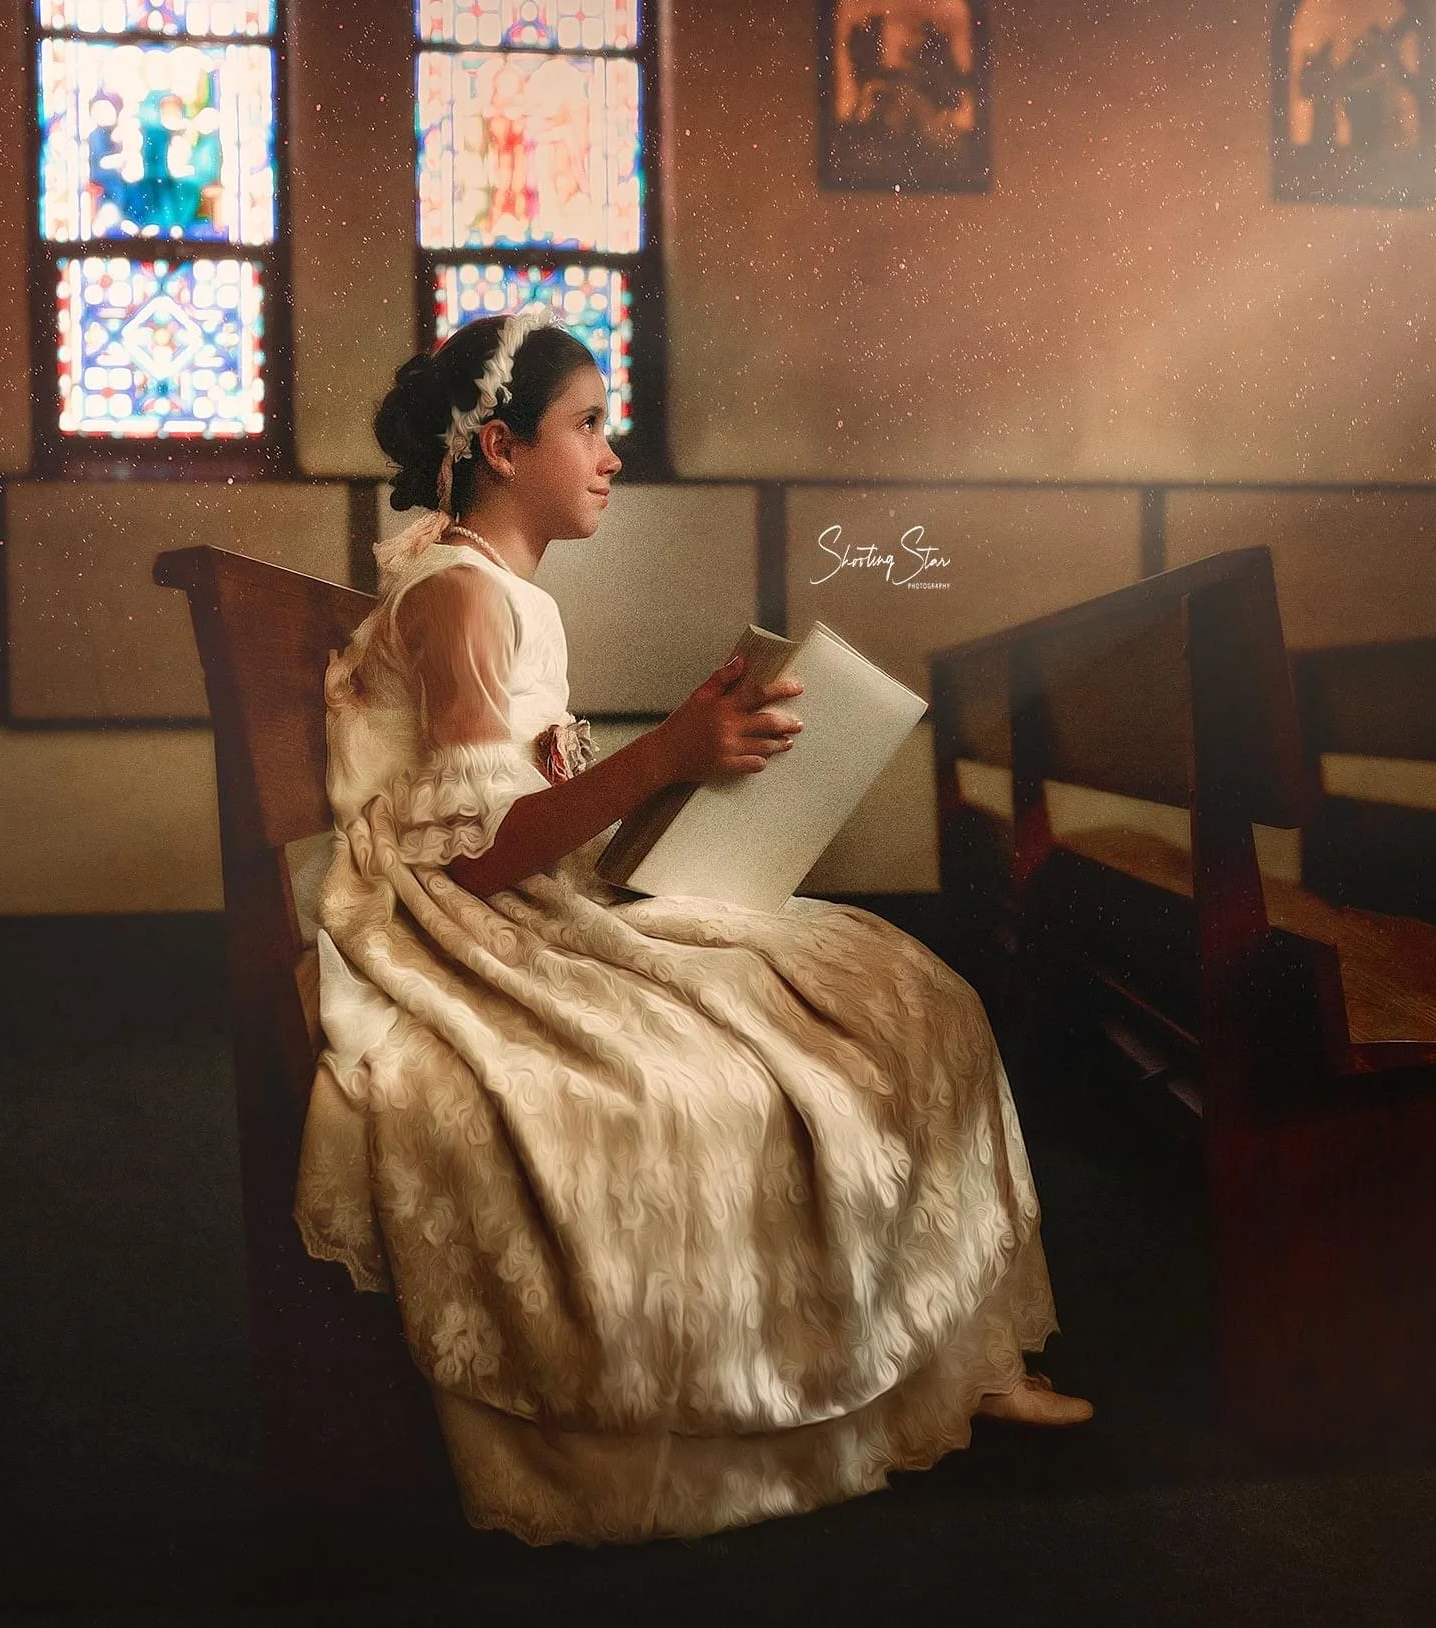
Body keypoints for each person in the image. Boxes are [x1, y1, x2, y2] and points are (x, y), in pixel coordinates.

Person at [296, 305, 1091, 1547]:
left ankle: (954, 1353)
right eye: (588, 426)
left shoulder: (498, 589)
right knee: (804, 1033)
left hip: (536, 897)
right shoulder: (461, 597)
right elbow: (480, 851)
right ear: (501, 445)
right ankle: (847, 1386)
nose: (611, 453)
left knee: (900, 982)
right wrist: (668, 749)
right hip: (469, 925)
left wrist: (693, 768)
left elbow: (533, 816)